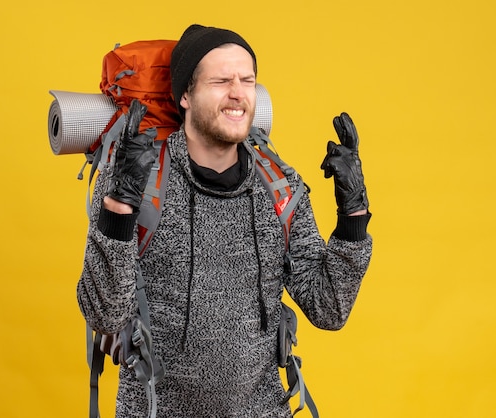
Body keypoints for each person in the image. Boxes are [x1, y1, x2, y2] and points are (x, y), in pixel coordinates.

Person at [77, 23, 372, 417]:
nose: (237, 93)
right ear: (185, 95)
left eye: (247, 80)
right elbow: (104, 314)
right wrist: (117, 210)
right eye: (220, 81)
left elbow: (328, 308)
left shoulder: (280, 187)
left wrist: (353, 215)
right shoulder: (135, 180)